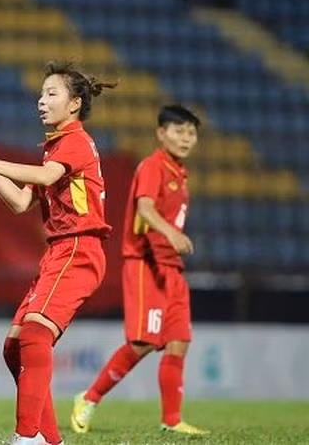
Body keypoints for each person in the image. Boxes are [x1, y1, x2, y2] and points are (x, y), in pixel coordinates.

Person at [0, 62, 114, 445]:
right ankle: (48, 439)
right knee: (15, 348)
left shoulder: (74, 142)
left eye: (51, 94)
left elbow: (43, 179)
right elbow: (20, 202)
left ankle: (26, 438)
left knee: (35, 335)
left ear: (74, 103)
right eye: (41, 94)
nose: (41, 102)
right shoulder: (56, 147)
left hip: (78, 248)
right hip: (61, 253)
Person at [71, 105, 208, 435]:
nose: (185, 138)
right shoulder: (152, 166)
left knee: (179, 342)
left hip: (171, 268)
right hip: (145, 264)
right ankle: (88, 398)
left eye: (191, 133)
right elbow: (145, 209)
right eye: (179, 131)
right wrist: (171, 233)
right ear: (161, 133)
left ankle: (171, 421)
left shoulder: (180, 173)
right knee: (144, 342)